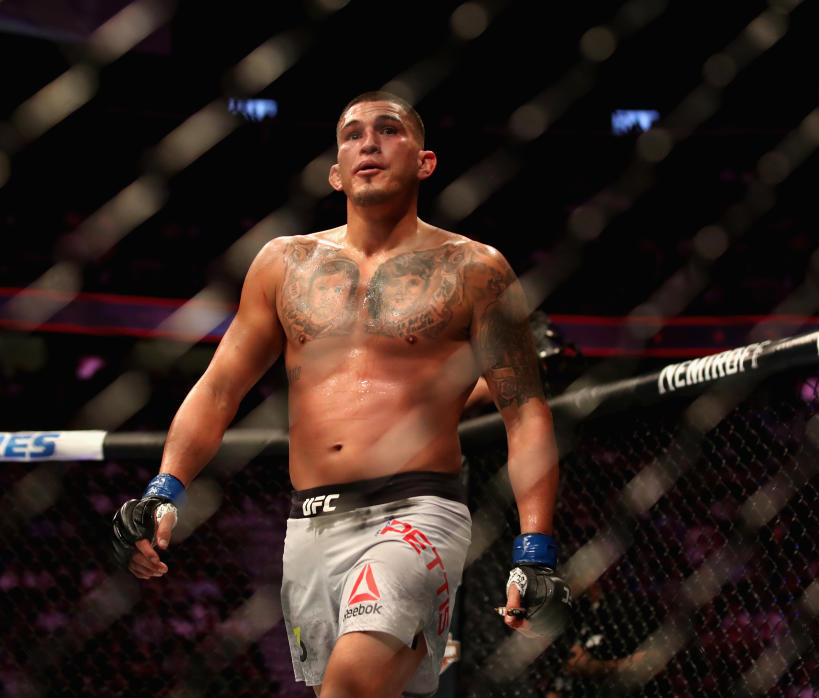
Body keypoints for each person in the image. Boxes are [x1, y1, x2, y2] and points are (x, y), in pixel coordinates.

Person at [111, 91, 568, 697]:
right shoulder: (283, 264)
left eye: (388, 130)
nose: (369, 142)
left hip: (415, 512)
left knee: (349, 687)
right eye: (352, 134)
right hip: (310, 524)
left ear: (426, 162)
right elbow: (220, 388)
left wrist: (534, 548)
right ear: (335, 171)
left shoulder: (474, 269)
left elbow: (525, 414)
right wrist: (164, 489)